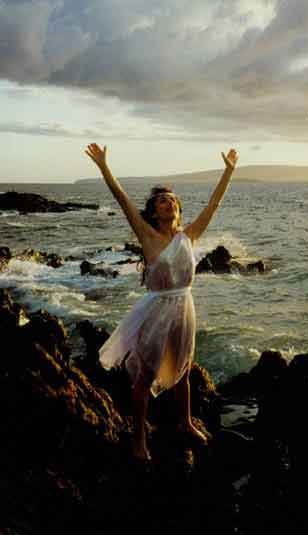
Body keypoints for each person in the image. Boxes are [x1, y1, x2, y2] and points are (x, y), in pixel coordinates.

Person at [85, 143, 238, 460]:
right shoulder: (147, 236)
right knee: (146, 374)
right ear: (154, 213)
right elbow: (123, 200)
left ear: (178, 210)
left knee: (182, 367)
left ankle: (184, 422)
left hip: (185, 307)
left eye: (171, 201)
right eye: (161, 202)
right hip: (156, 310)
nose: (167, 203)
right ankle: (139, 438)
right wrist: (103, 166)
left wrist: (228, 171)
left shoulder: (188, 236)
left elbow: (214, 203)